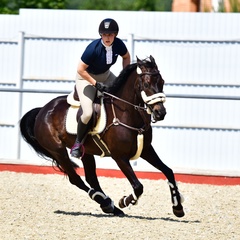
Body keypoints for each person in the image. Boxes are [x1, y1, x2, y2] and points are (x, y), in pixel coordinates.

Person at [70, 18, 131, 158]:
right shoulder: (93, 49)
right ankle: (78, 143)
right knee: (87, 113)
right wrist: (95, 84)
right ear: (100, 35)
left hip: (106, 75)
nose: (107, 37)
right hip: (86, 78)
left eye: (110, 34)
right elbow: (80, 69)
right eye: (104, 34)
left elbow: (126, 57)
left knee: (125, 96)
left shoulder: (119, 44)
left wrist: (125, 75)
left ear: (115, 34)